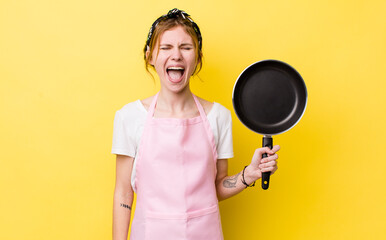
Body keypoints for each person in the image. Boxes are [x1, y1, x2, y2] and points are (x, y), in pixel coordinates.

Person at [111, 8, 280, 240]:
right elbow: (123, 192)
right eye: (166, 47)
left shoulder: (219, 116)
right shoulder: (129, 117)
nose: (176, 56)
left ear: (198, 57)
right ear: (151, 56)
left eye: (186, 48)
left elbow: (217, 187)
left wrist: (249, 174)